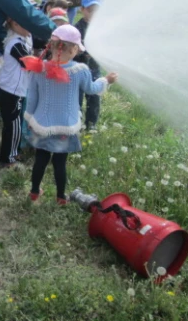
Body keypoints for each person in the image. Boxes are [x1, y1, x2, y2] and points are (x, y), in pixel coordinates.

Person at [23, 25, 118, 205]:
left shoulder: (39, 68)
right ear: (74, 48)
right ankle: (61, 197)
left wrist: (29, 118)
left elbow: (32, 96)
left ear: (50, 46)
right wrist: (107, 80)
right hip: (66, 125)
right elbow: (92, 89)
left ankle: (34, 192)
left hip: (41, 124)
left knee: (40, 160)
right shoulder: (80, 70)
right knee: (60, 163)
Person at [0, 18, 33, 166]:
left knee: (11, 123)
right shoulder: (16, 44)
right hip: (12, 90)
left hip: (10, 87)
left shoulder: (19, 39)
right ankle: (9, 158)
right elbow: (29, 64)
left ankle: (9, 153)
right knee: (13, 124)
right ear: (16, 23)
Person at [74, 0, 103, 130]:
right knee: (76, 99)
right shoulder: (76, 29)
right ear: (82, 9)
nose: (93, 13)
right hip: (79, 70)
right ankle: (76, 125)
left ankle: (91, 125)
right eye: (90, 9)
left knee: (94, 98)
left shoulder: (102, 28)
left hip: (94, 69)